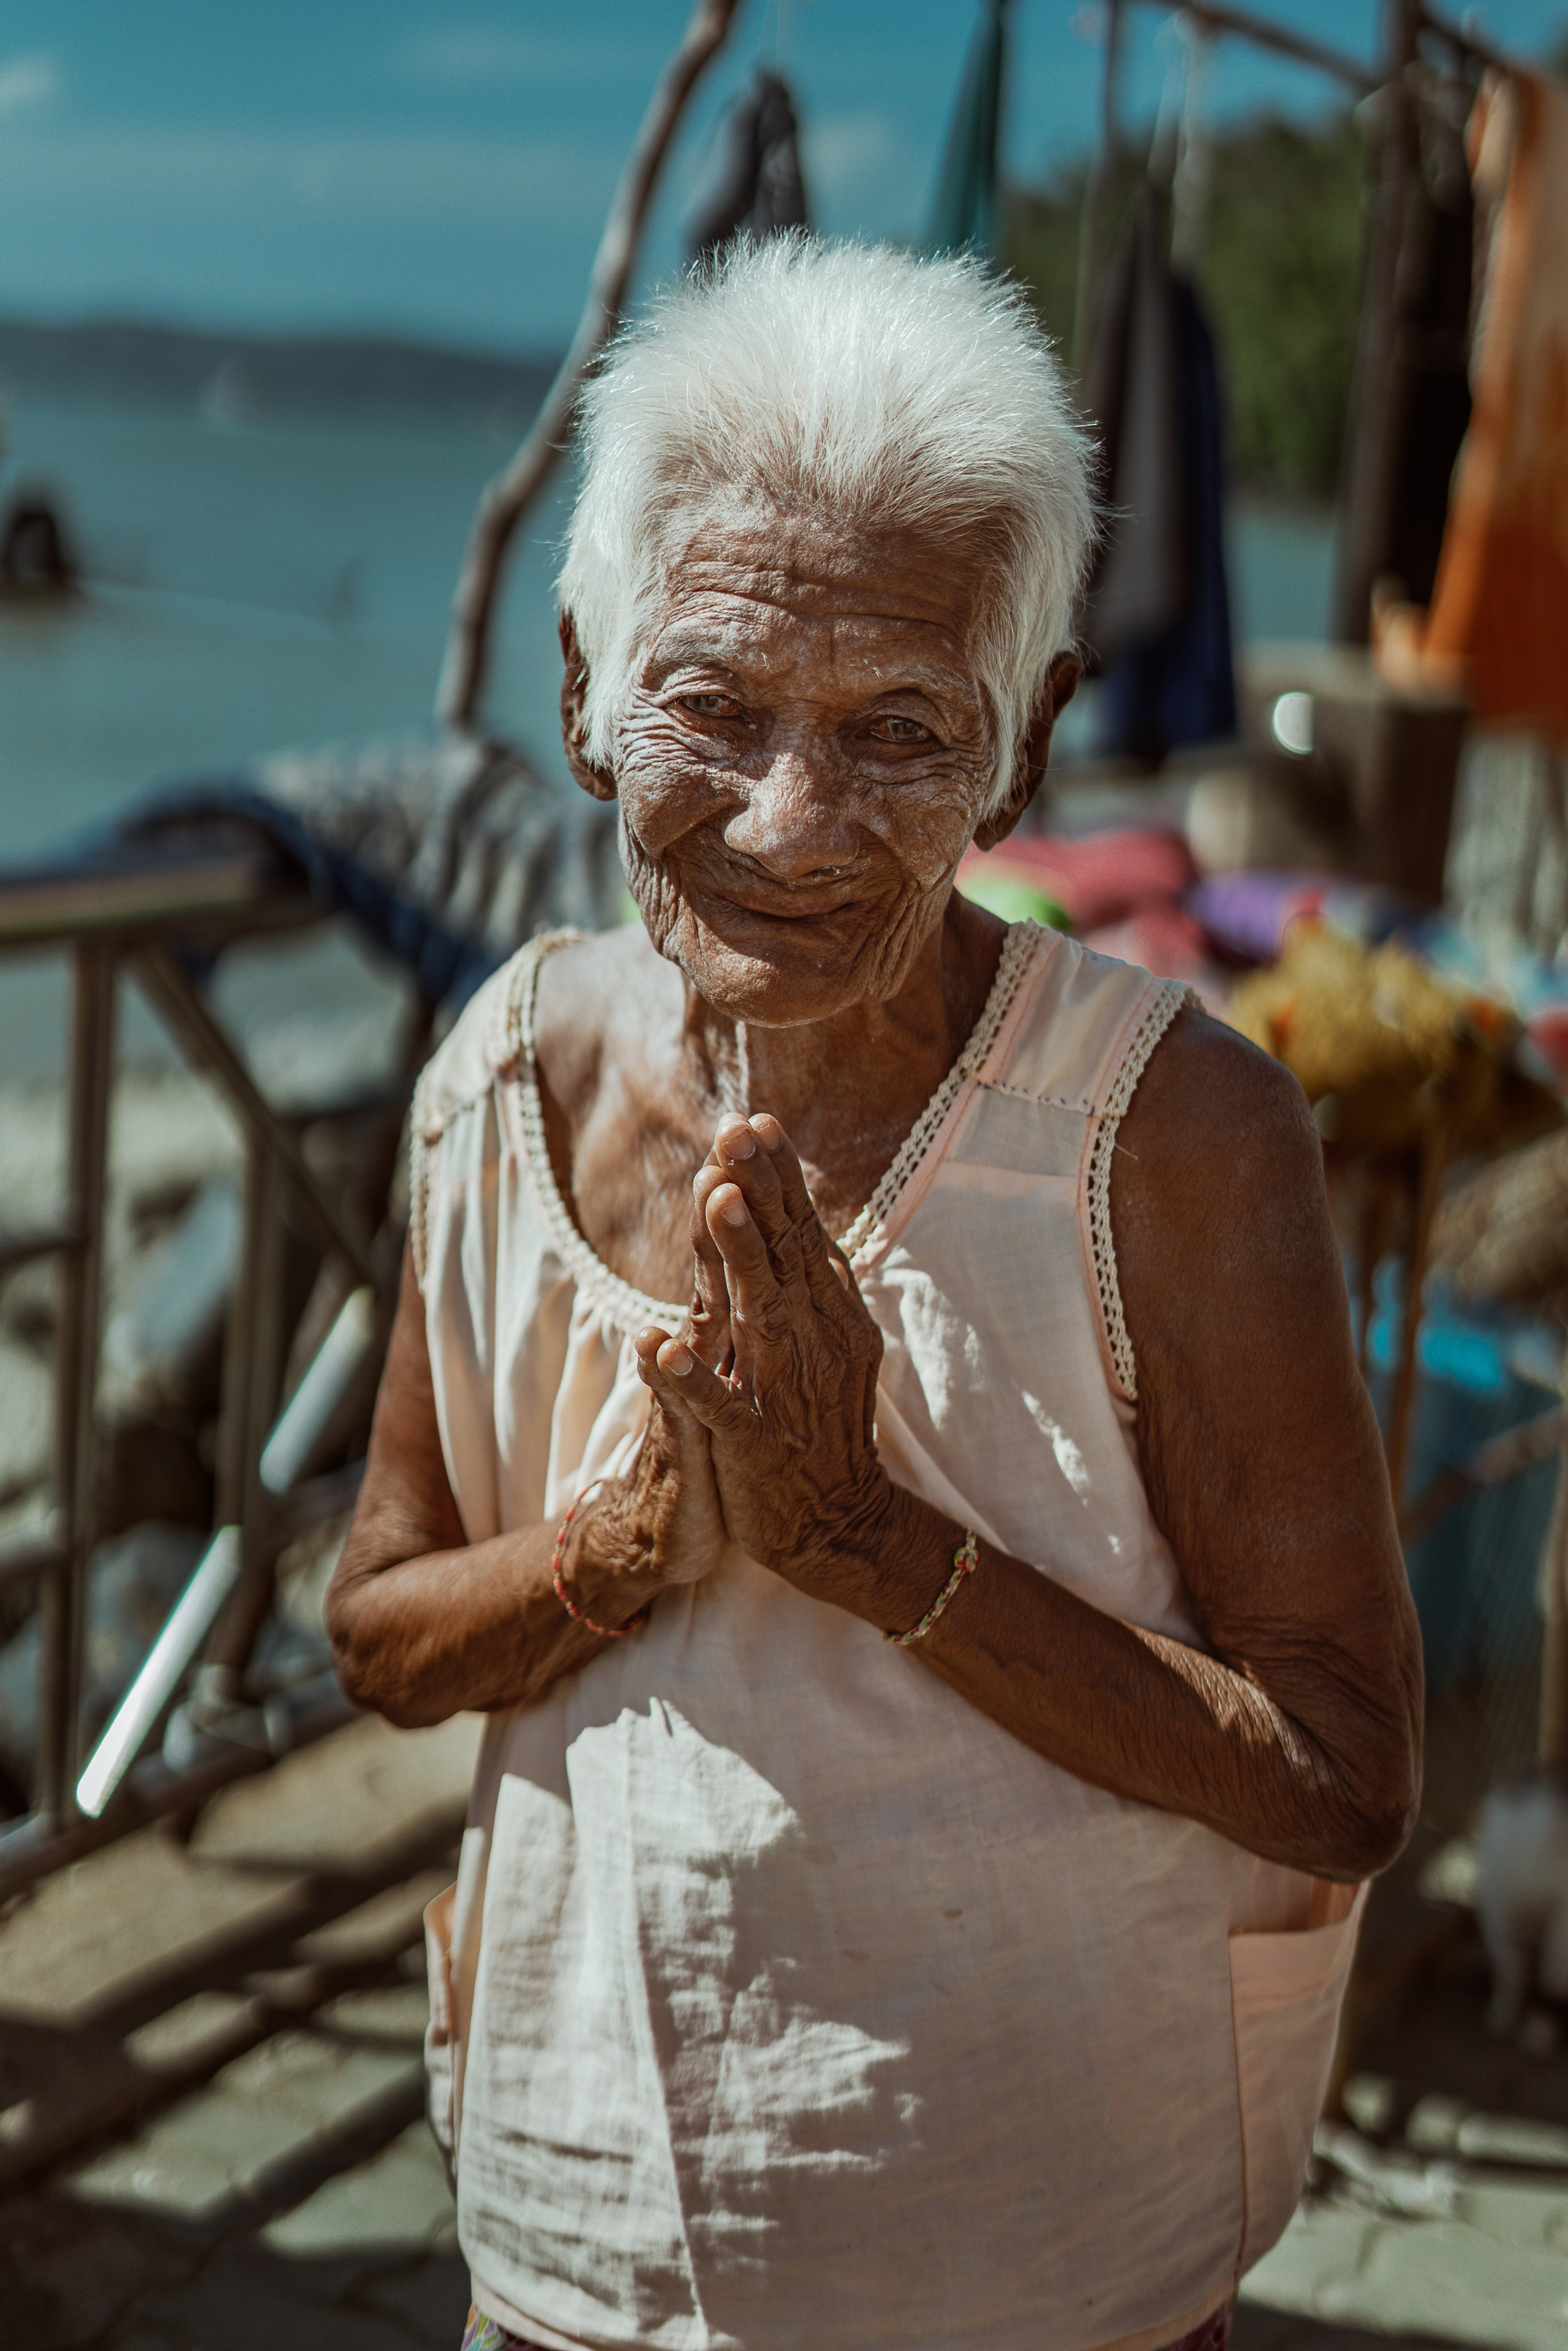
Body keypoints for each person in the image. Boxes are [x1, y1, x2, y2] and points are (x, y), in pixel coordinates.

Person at [328, 238, 1422, 2351]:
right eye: (711, 706)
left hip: (1045, 2267)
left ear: (1023, 755)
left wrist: (863, 1543)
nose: (793, 819)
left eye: (902, 729)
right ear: (579, 691)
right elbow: (379, 1627)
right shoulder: (500, 1076)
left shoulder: (1175, 1140)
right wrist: (632, 1547)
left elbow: (1347, 1769)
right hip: (577, 2253)